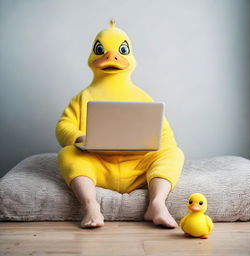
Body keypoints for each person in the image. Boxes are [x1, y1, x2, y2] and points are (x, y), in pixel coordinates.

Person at [56, 20, 185, 229]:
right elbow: (63, 125)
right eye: (101, 50)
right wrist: (79, 138)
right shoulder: (83, 97)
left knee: (174, 152)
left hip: (139, 167)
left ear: (130, 56)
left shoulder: (142, 96)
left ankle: (157, 203)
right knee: (67, 154)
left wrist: (161, 146)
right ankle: (90, 206)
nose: (111, 57)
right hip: (98, 165)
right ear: (92, 55)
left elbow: (165, 134)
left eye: (121, 50)